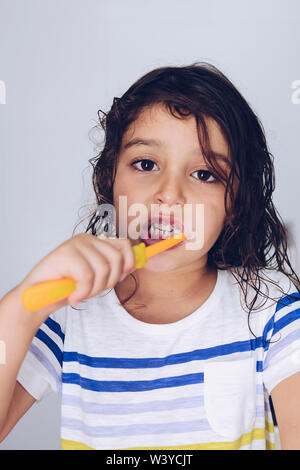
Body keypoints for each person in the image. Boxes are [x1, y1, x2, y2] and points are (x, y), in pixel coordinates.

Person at [0, 63, 300, 450]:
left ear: (235, 205)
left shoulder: (270, 309)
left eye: (205, 174)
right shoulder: (68, 315)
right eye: (146, 164)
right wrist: (22, 306)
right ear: (110, 178)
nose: (169, 194)